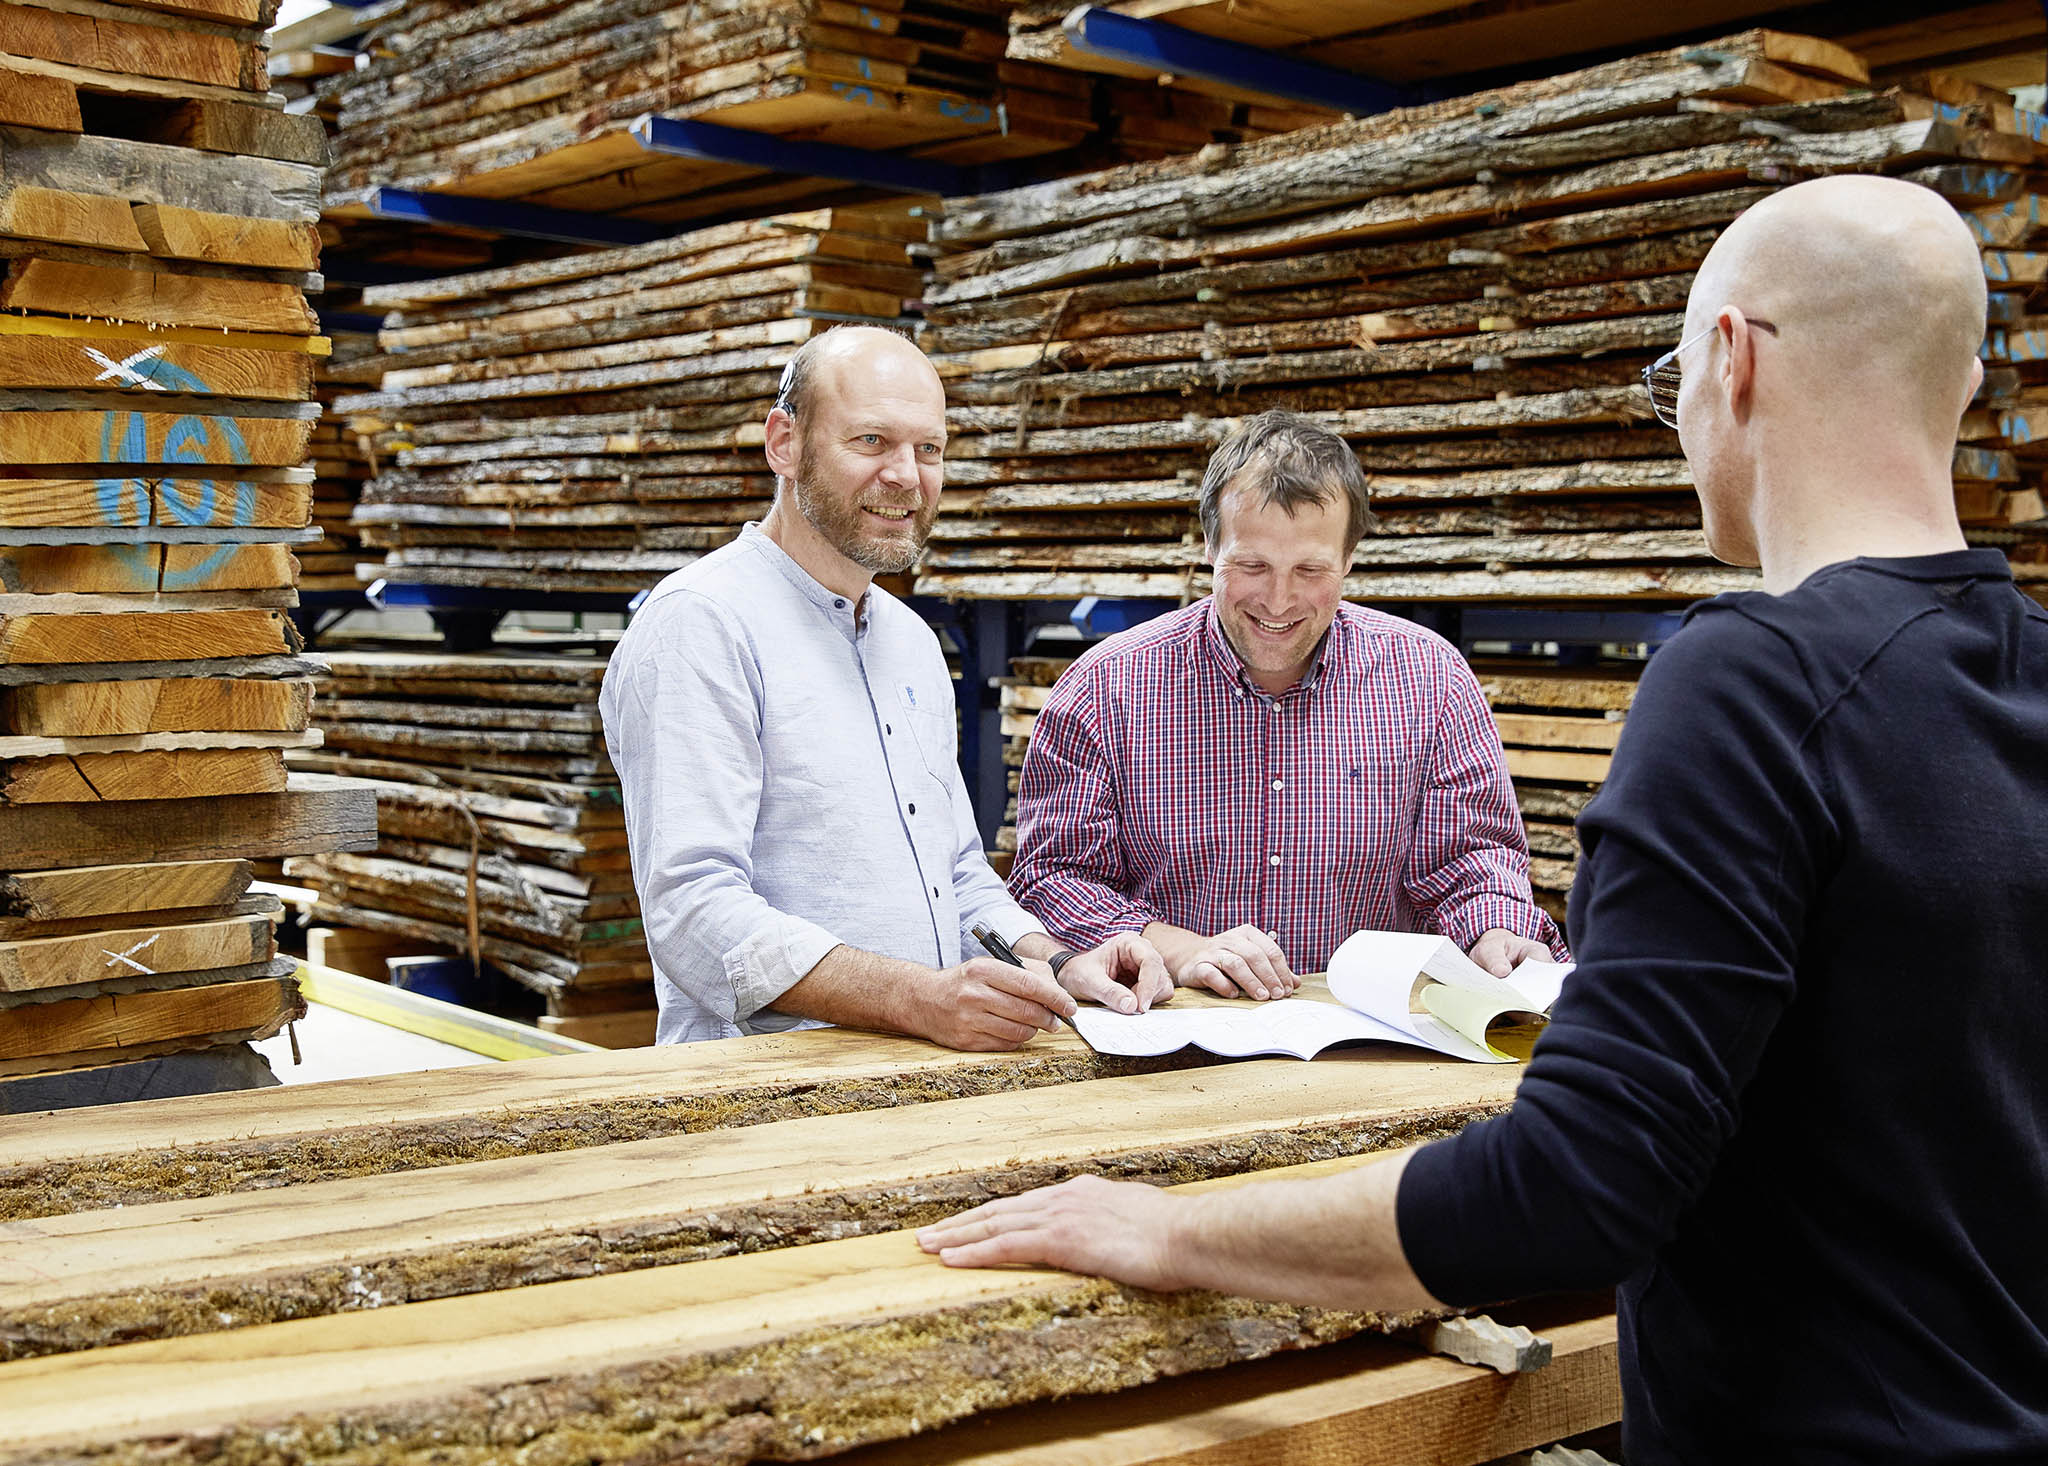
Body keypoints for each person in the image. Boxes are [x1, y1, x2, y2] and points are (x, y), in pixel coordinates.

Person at [920, 175, 2048, 1461]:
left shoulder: (1751, 684)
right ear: (1957, 384)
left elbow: (1576, 1184)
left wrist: (1170, 1229)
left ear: (1726, 361)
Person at [601, 325, 1170, 1048]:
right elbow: (692, 909)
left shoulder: (909, 642)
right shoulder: (702, 627)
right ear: (784, 443)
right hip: (759, 1101)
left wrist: (1054, 960)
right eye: (871, 441)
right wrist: (919, 999)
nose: (906, 474)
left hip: (912, 1086)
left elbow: (957, 873)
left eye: (927, 449)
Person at [1009, 410, 1563, 1000]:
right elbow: (1051, 881)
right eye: (1252, 566)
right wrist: (1184, 949)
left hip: (1371, 1041)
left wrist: (1494, 929)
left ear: (1349, 559)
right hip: (1173, 1035)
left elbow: (1470, 861)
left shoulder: (1430, 679)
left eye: (1310, 570)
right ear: (1209, 548)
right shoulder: (1104, 689)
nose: (1279, 600)